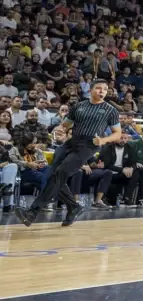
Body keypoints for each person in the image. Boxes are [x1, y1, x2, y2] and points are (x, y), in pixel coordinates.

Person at [15, 80, 122, 227]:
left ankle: (32, 212)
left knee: (60, 174)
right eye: (98, 88)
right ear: (90, 90)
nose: (102, 91)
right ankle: (73, 206)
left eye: (105, 89)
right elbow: (65, 125)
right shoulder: (78, 106)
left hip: (89, 145)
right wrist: (59, 131)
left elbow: (117, 134)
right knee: (51, 175)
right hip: (71, 142)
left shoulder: (111, 110)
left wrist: (103, 140)